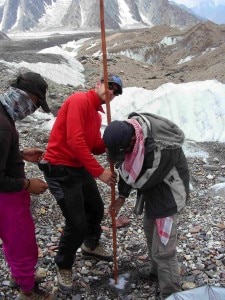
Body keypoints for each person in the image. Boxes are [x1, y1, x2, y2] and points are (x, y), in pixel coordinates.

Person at [40, 74, 122, 294]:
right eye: (110, 86)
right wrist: (99, 172)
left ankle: (91, 245)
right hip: (60, 169)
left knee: (96, 208)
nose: (112, 92)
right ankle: (63, 264)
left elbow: (93, 144)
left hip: (78, 167)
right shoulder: (79, 100)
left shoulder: (96, 116)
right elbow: (75, 141)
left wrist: (110, 143)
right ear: (98, 83)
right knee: (77, 223)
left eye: (116, 91)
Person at [103, 112, 190, 300]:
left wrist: (121, 175)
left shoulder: (161, 148)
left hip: (169, 195)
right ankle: (156, 272)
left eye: (123, 151)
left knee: (165, 249)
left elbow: (141, 181)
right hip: (153, 193)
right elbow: (129, 164)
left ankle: (170, 293)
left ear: (133, 140)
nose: (123, 156)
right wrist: (122, 196)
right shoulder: (133, 134)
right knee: (150, 231)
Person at [0, 72, 55, 300]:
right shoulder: (3, 126)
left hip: (7, 194)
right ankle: (28, 291)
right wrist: (27, 184)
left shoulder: (3, 114)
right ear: (25, 96)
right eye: (35, 104)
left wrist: (20, 154)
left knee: (11, 239)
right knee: (22, 241)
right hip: (7, 196)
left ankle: (19, 276)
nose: (32, 110)